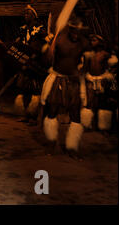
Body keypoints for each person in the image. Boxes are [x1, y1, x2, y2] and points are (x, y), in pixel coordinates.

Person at [41, 16, 90, 160]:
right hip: (57, 78)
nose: (76, 35)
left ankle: (72, 147)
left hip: (74, 81)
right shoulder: (60, 40)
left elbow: (87, 64)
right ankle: (51, 142)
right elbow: (47, 61)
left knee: (75, 114)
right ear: (69, 29)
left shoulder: (84, 43)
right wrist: (50, 47)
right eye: (74, 31)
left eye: (79, 32)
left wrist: (81, 73)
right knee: (52, 111)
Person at [14, 5, 49, 125]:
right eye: (25, 13)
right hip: (24, 62)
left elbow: (45, 43)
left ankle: (34, 116)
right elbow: (19, 44)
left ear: (34, 15)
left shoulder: (40, 28)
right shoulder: (23, 29)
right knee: (22, 88)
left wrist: (36, 55)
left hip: (35, 63)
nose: (26, 15)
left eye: (28, 13)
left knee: (35, 90)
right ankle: (24, 114)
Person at [80, 35, 117, 133]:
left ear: (100, 42)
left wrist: (107, 76)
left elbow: (113, 65)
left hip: (102, 80)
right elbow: (84, 68)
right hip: (90, 79)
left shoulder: (105, 54)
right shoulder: (88, 55)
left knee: (102, 102)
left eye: (94, 40)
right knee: (90, 102)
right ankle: (88, 124)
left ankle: (103, 127)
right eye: (91, 40)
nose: (92, 42)